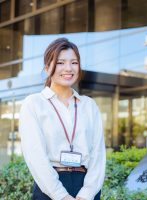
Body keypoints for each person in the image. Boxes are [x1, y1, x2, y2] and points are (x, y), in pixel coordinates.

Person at [19, 38, 106, 200]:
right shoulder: (34, 103)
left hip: (86, 187)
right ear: (47, 68)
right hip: (49, 188)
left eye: (74, 62)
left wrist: (86, 194)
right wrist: (61, 195)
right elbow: (35, 155)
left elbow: (98, 155)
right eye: (60, 63)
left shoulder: (89, 105)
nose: (68, 68)